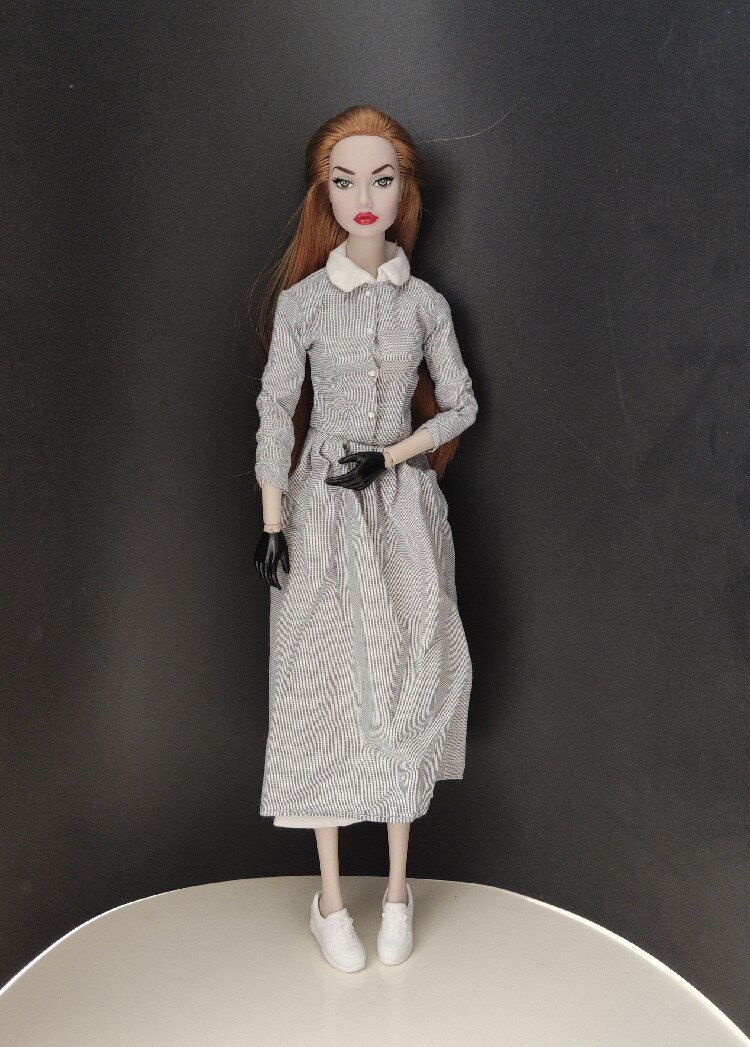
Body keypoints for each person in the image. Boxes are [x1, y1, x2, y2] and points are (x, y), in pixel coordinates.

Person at [252, 105, 479, 971]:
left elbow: (460, 403)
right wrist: (273, 519)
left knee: (405, 682)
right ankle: (329, 899)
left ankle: (396, 890)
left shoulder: (425, 304)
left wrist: (392, 455)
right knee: (318, 687)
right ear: (325, 192)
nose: (363, 197)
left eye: (380, 179)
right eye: (345, 181)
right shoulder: (304, 303)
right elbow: (277, 407)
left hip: (402, 512)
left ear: (402, 189)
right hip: (320, 514)